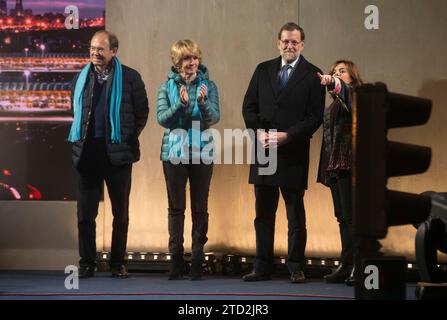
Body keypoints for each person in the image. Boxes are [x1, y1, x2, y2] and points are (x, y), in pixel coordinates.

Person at [242, 23, 325, 283]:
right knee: (263, 214)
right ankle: (261, 265)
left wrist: (288, 136)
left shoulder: (313, 75)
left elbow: (315, 117)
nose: (289, 46)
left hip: (293, 152)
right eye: (285, 41)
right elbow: (249, 107)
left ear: (302, 45)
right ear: (278, 43)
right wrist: (260, 133)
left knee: (295, 215)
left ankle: (296, 266)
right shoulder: (262, 69)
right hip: (265, 151)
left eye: (294, 42)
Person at [68, 30, 149, 278]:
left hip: (118, 156)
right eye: (92, 48)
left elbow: (141, 114)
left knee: (120, 215)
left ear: (113, 51)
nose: (95, 53)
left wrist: (123, 137)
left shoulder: (131, 78)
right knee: (85, 215)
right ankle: (87, 263)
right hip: (88, 155)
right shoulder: (80, 79)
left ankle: (117, 263)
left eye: (100, 49)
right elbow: (75, 113)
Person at [157, 40, 220, 280]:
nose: (191, 63)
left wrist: (202, 103)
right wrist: (180, 105)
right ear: (177, 62)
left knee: (200, 208)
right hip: (174, 154)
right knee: (176, 209)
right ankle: (175, 262)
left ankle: (196, 259)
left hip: (202, 153)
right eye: (186, 59)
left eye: (194, 58)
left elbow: (213, 118)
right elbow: (163, 119)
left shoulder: (209, 86)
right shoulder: (166, 87)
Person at [317, 60, 363, 285]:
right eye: (334, 72)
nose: (337, 74)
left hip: (350, 165)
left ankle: (360, 266)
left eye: (342, 71)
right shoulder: (333, 105)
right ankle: (347, 265)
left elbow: (346, 95)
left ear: (352, 76)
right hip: (335, 166)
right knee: (342, 218)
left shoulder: (355, 95)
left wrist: (334, 82)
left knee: (353, 218)